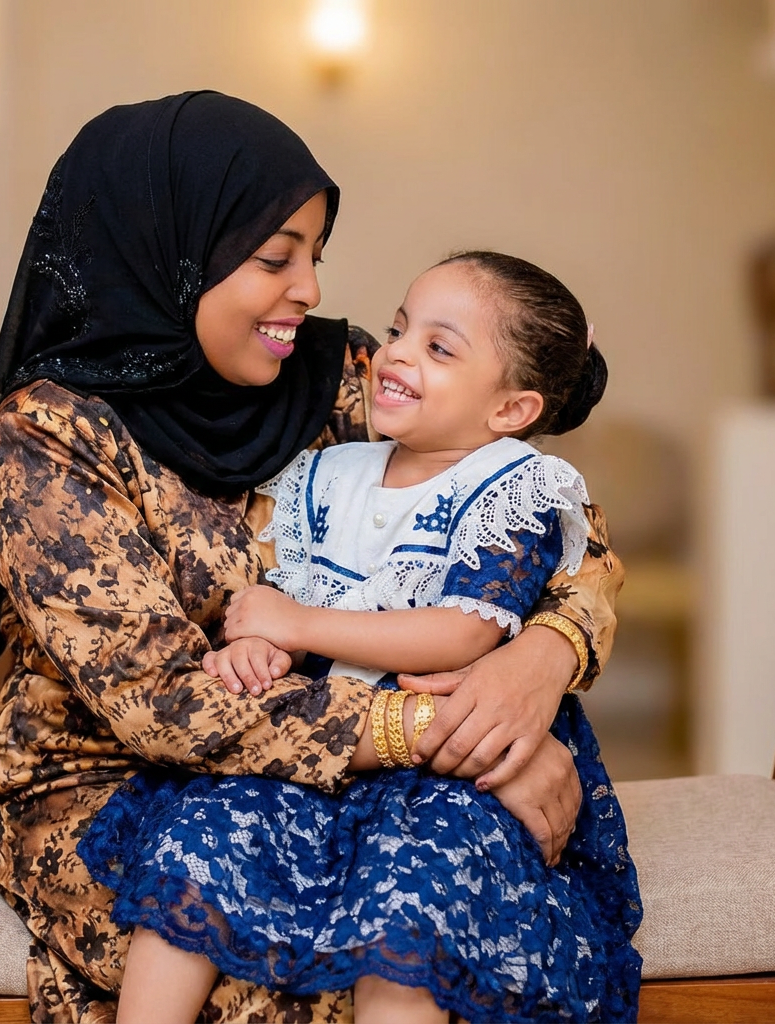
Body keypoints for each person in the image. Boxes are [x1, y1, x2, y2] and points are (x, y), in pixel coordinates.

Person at [0, 92, 626, 1023]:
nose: (309, 290)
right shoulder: (49, 440)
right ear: (173, 252)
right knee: (281, 983)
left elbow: (552, 522)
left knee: (425, 940)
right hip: (112, 779)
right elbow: (165, 704)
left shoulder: (335, 377)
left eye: (316, 255)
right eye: (276, 258)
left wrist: (539, 661)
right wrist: (451, 736)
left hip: (337, 783)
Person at [77, 251, 642, 1024]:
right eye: (399, 330)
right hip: (321, 747)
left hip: (447, 773)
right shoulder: (331, 472)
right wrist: (262, 647)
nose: (395, 354)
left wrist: (298, 624)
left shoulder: (512, 488)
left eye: (438, 347)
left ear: (512, 410)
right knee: (199, 844)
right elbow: (293, 596)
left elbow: (465, 632)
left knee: (409, 903)